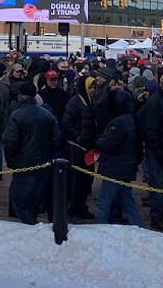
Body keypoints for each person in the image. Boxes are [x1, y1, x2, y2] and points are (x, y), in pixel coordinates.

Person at [4, 82, 62, 225]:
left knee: (21, 201)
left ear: (21, 96)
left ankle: (31, 227)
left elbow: (10, 142)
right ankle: (32, 225)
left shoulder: (17, 115)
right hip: (43, 162)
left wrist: (11, 160)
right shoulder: (47, 114)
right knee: (35, 198)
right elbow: (57, 138)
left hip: (24, 164)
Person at [93, 89, 144, 228]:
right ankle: (139, 227)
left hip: (115, 168)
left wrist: (95, 141)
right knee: (127, 201)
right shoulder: (129, 118)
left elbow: (109, 143)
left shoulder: (120, 122)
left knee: (103, 202)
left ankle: (97, 229)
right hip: (124, 166)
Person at [136, 73, 163, 230]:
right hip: (158, 151)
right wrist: (157, 148)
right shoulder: (155, 103)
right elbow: (150, 129)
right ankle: (157, 217)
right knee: (158, 186)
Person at [62, 76, 96, 220]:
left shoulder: (93, 102)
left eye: (94, 87)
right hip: (76, 148)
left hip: (90, 148)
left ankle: (81, 207)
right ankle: (74, 208)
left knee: (87, 179)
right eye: (90, 87)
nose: (93, 90)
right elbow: (67, 124)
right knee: (77, 180)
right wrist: (79, 137)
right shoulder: (75, 102)